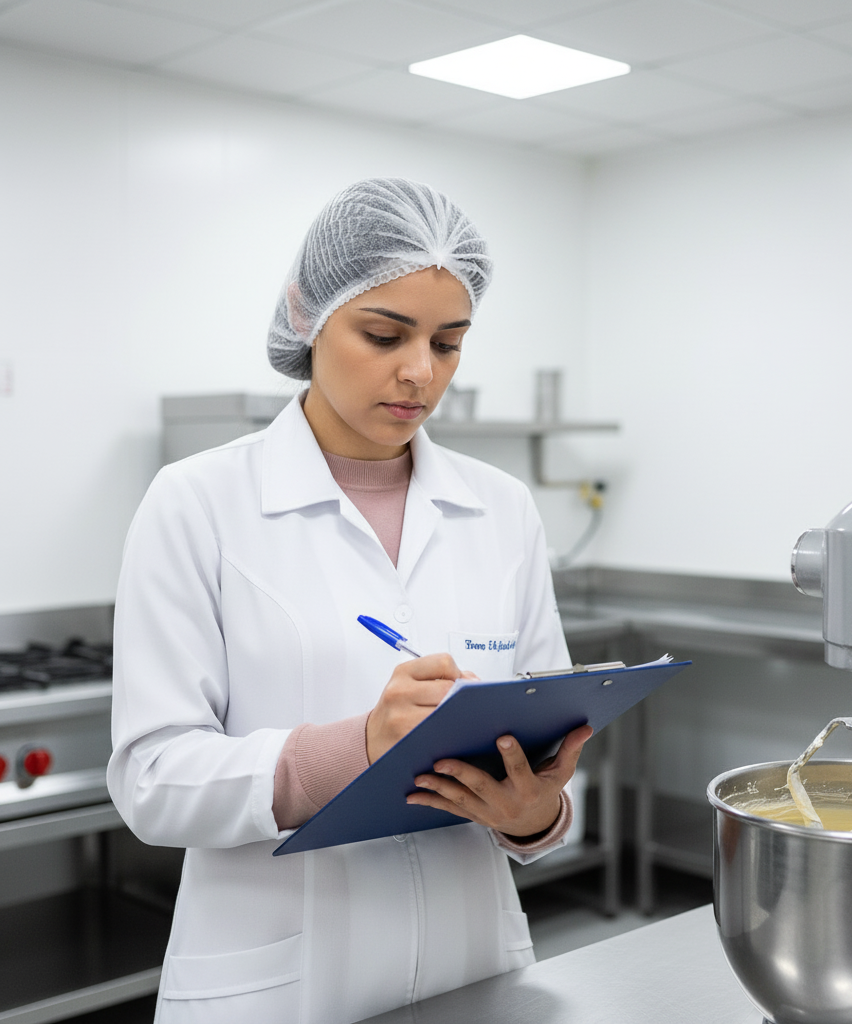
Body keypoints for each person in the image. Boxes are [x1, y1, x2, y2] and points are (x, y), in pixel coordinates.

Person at [107, 178, 591, 1024]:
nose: (419, 374)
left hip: (471, 969)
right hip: (278, 986)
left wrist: (535, 812)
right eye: (383, 334)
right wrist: (358, 746)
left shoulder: (502, 507)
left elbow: (547, 748)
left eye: (448, 343)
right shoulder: (198, 502)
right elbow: (153, 780)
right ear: (305, 313)